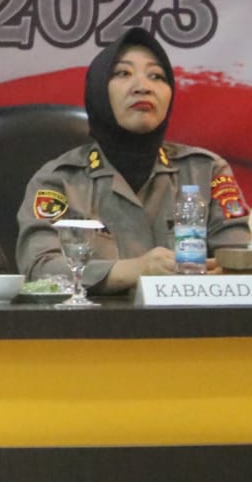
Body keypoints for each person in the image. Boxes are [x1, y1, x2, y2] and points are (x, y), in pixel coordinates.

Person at [15, 26, 250, 294]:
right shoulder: (59, 180)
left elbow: (239, 261)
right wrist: (137, 270)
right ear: (98, 90)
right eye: (123, 73)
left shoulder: (206, 171)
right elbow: (40, 270)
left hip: (190, 319)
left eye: (156, 76)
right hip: (97, 321)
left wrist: (228, 272)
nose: (143, 87)